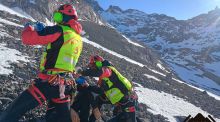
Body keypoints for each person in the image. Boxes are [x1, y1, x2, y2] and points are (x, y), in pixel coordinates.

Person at [0, 4, 83, 122]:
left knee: (13, 111)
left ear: (65, 17)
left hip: (50, 83)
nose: (56, 20)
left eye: (58, 16)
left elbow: (27, 38)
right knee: (61, 118)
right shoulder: (78, 38)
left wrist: (29, 27)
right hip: (66, 86)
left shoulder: (59, 30)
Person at [80, 55, 138, 122]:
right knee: (99, 99)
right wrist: (88, 86)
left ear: (98, 65)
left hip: (128, 101)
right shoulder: (105, 75)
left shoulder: (108, 70)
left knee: (129, 120)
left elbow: (100, 73)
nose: (91, 68)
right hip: (121, 101)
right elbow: (101, 90)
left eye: (92, 66)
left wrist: (82, 72)